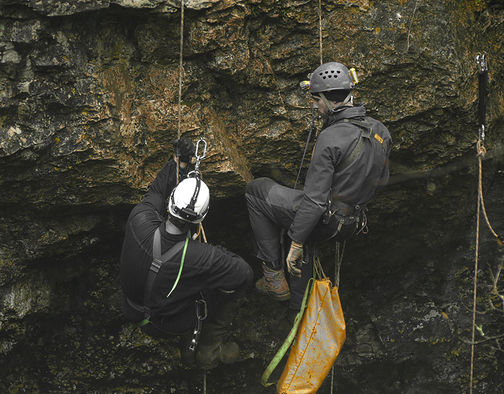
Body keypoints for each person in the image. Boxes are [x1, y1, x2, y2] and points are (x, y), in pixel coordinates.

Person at [245, 61, 392, 312]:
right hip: (352, 223)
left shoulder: (330, 138)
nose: (315, 106)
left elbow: (314, 201)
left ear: (330, 100)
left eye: (317, 100)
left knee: (256, 190)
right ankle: (297, 310)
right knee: (307, 235)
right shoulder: (380, 130)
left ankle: (274, 276)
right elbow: (383, 180)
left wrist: (296, 243)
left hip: (326, 219)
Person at [120, 136, 253, 369]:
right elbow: (244, 274)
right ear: (203, 217)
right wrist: (212, 256)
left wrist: (178, 163)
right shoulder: (200, 257)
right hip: (167, 324)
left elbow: (157, 190)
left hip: (132, 308)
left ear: (171, 203)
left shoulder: (139, 218)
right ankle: (208, 348)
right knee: (227, 288)